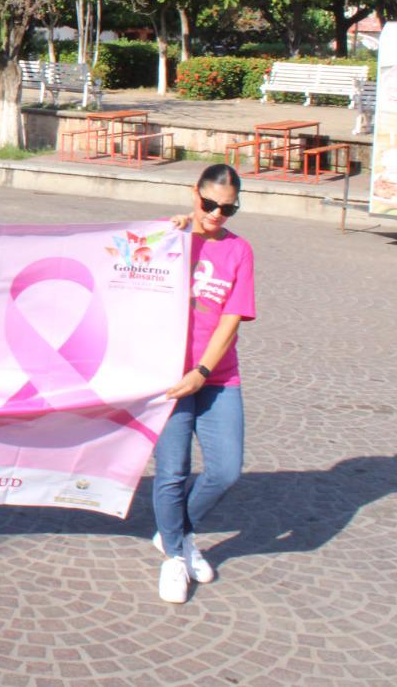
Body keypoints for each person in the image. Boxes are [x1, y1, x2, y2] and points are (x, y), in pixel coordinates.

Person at [153, 163, 255, 605]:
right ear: (193, 194)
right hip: (167, 376)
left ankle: (177, 533)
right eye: (209, 203)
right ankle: (175, 556)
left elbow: (232, 318)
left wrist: (203, 373)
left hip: (216, 376)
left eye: (227, 208)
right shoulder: (167, 237)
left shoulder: (240, 250)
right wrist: (170, 230)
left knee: (225, 470)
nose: (216, 214)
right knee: (173, 473)